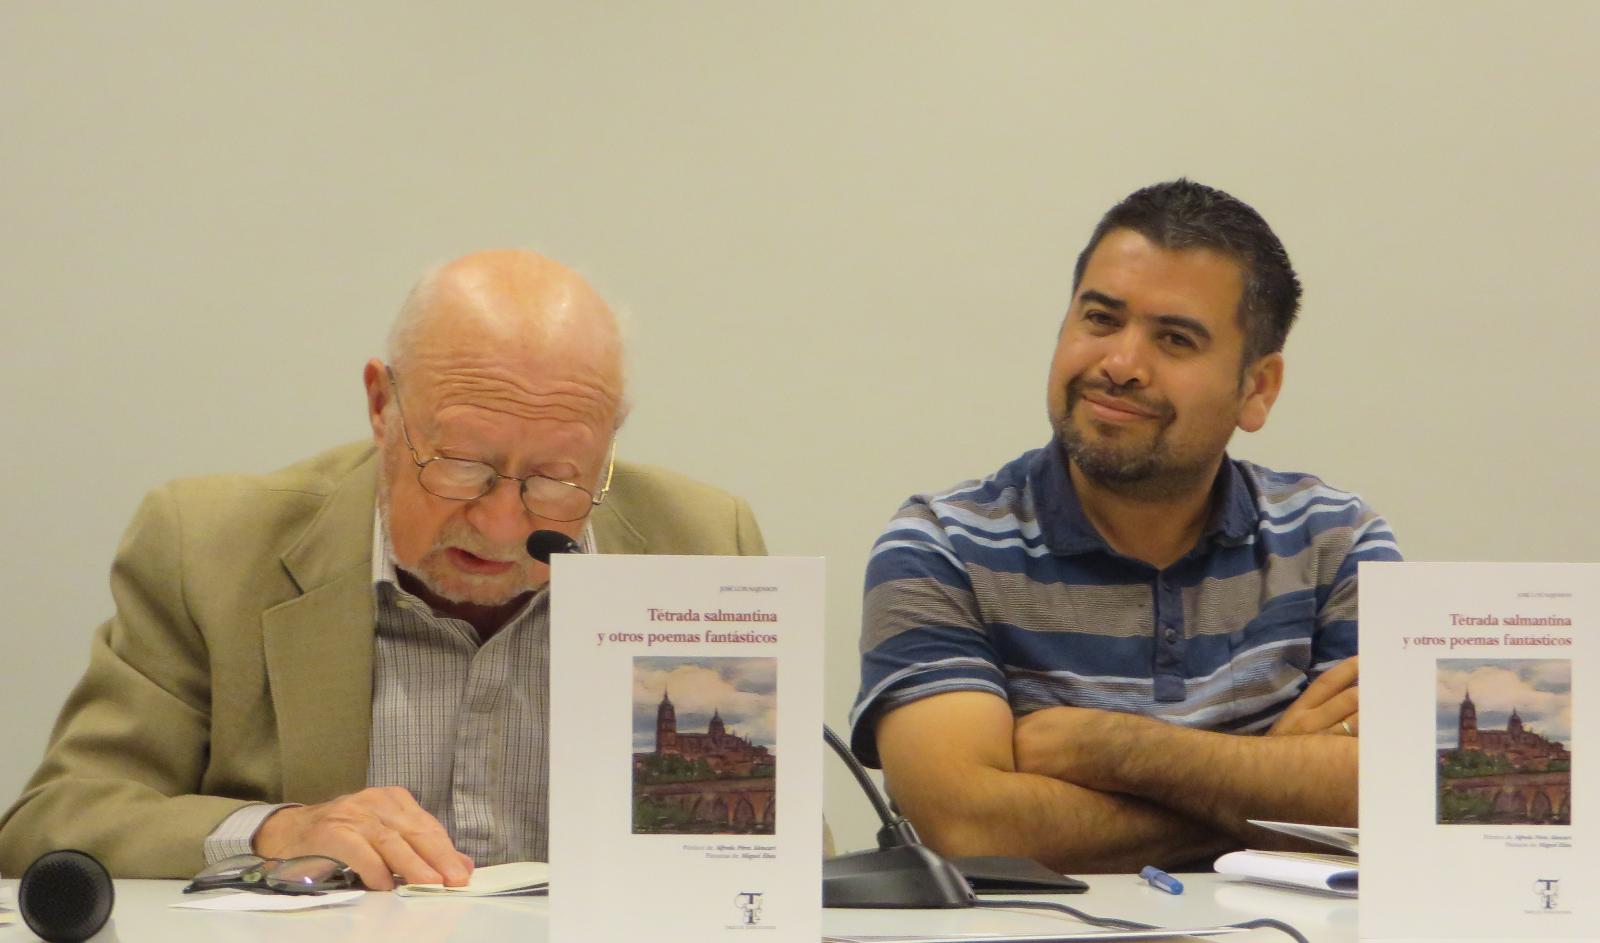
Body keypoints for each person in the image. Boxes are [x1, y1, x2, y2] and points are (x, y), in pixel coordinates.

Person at [0, 250, 766, 888]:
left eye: (556, 478)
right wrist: (277, 830)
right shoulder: (209, 549)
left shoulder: (700, 545)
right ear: (380, 404)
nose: (501, 524)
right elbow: (55, 823)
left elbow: (781, 866)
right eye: (462, 466)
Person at [850, 180, 1400, 873]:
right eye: (1101, 320)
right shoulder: (939, 546)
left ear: (1256, 387)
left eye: (1175, 339)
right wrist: (1273, 789)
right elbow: (967, 826)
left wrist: (1108, 749)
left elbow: (1400, 795)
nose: (1120, 365)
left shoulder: (1339, 544)